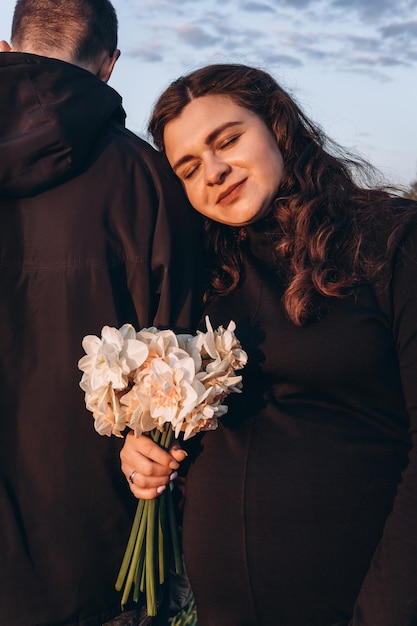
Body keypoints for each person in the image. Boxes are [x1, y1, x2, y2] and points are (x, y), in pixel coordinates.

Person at [120, 63, 417, 626]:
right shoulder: (203, 279)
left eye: (227, 139)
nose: (213, 170)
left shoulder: (391, 240)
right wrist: (146, 454)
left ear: (278, 125)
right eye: (187, 167)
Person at [0, 2, 204, 625]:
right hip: (97, 560)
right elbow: (182, 369)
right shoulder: (149, 180)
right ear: (110, 65)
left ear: (6, 50)